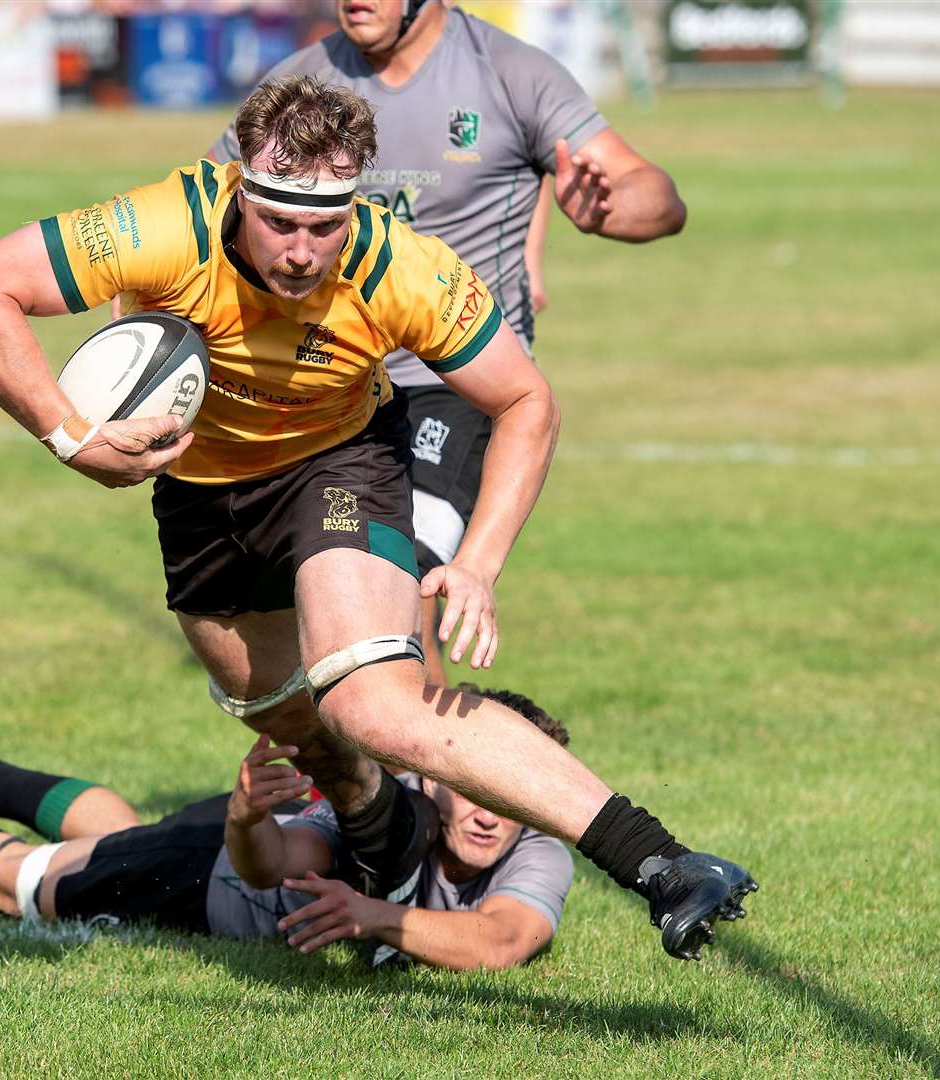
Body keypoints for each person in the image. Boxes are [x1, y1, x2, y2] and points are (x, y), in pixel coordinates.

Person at [0, 76, 755, 960]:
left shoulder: (398, 266)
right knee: (292, 726)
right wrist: (70, 435)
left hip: (336, 461)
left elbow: (526, 402)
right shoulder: (162, 226)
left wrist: (476, 562)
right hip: (199, 496)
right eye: (280, 222)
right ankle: (383, 849)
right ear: (241, 190)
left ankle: (660, 862)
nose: (300, 251)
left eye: (324, 226)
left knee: (371, 702)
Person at [210, 0, 687, 680]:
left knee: (398, 584)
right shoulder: (300, 86)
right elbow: (206, 205)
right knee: (324, 608)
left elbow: (655, 194)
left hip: (456, 383)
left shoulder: (508, 72)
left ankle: (428, 779)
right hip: (330, 391)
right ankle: (401, 781)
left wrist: (610, 208)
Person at [0, 686, 596, 970]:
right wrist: (244, 816)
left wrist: (376, 919)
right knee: (25, 884)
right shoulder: (386, 822)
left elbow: (503, 939)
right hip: (209, 871)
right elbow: (267, 869)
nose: (492, 813)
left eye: (513, 800)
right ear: (437, 780)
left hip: (209, 851)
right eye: (477, 789)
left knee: (118, 831)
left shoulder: (537, 850)